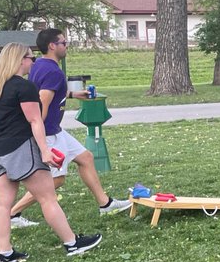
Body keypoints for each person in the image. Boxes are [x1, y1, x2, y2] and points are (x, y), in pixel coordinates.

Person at [0, 43, 103, 262]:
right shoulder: (24, 87)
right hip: (20, 149)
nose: (33, 62)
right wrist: (45, 150)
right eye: (30, 58)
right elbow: (35, 120)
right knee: (47, 197)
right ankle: (72, 243)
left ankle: (6, 254)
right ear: (20, 60)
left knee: (1, 203)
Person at [8, 29, 130, 227]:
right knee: (55, 181)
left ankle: (105, 204)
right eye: (64, 43)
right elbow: (43, 100)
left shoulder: (38, 65)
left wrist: (73, 95)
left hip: (55, 130)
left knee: (86, 158)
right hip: (48, 133)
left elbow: (48, 91)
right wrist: (39, 133)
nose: (67, 46)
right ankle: (12, 214)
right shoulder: (52, 70)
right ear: (52, 46)